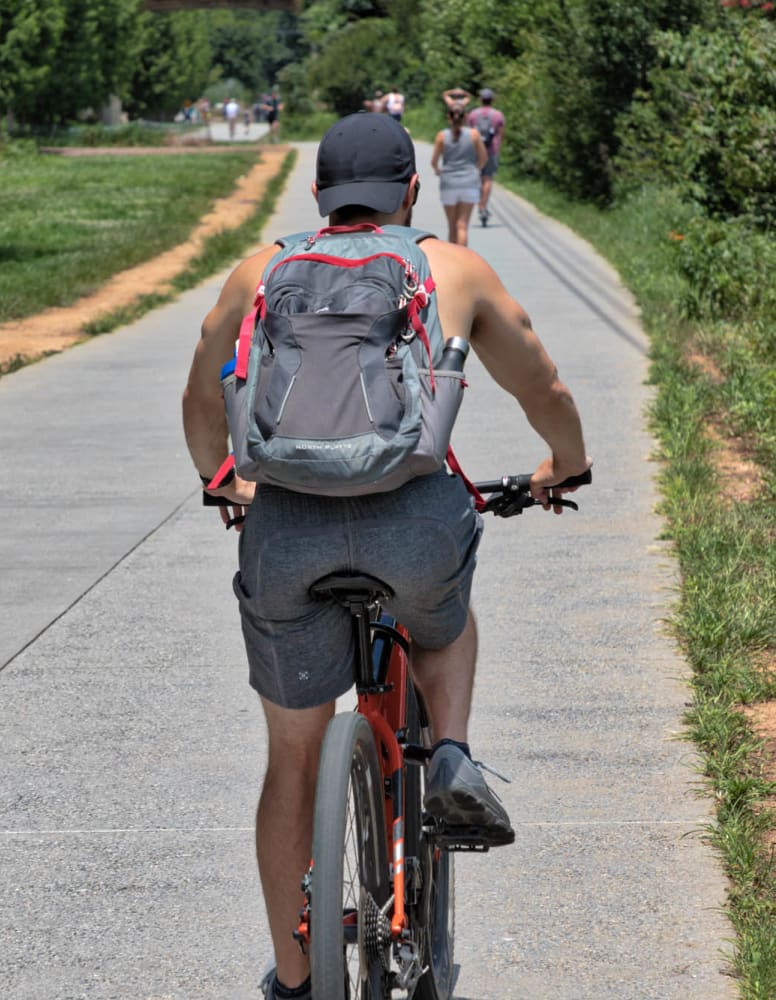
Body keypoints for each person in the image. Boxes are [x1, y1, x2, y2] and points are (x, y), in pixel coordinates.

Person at [182, 113, 590, 1000]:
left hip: (287, 531)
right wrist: (566, 462)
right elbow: (543, 383)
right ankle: (449, 754)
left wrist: (227, 483)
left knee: (290, 757)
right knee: (443, 616)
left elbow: (199, 394)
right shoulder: (451, 267)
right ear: (412, 189)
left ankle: (297, 979)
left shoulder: (264, 269)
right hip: (413, 521)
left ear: (320, 196)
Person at [431, 101, 488, 245]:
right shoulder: (474, 135)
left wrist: (438, 171)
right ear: (465, 117)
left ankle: (453, 261)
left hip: (448, 182)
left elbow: (434, 162)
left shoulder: (441, 136)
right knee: (462, 225)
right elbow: (483, 158)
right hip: (469, 182)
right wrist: (476, 169)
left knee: (452, 226)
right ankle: (464, 259)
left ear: (448, 117)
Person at [467, 88, 505, 225]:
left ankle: (480, 204)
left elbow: (469, 133)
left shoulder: (473, 114)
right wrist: (497, 146)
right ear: (492, 100)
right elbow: (501, 133)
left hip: (476, 150)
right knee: (487, 179)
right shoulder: (497, 115)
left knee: (477, 178)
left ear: (481, 99)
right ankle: (483, 207)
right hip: (491, 150)